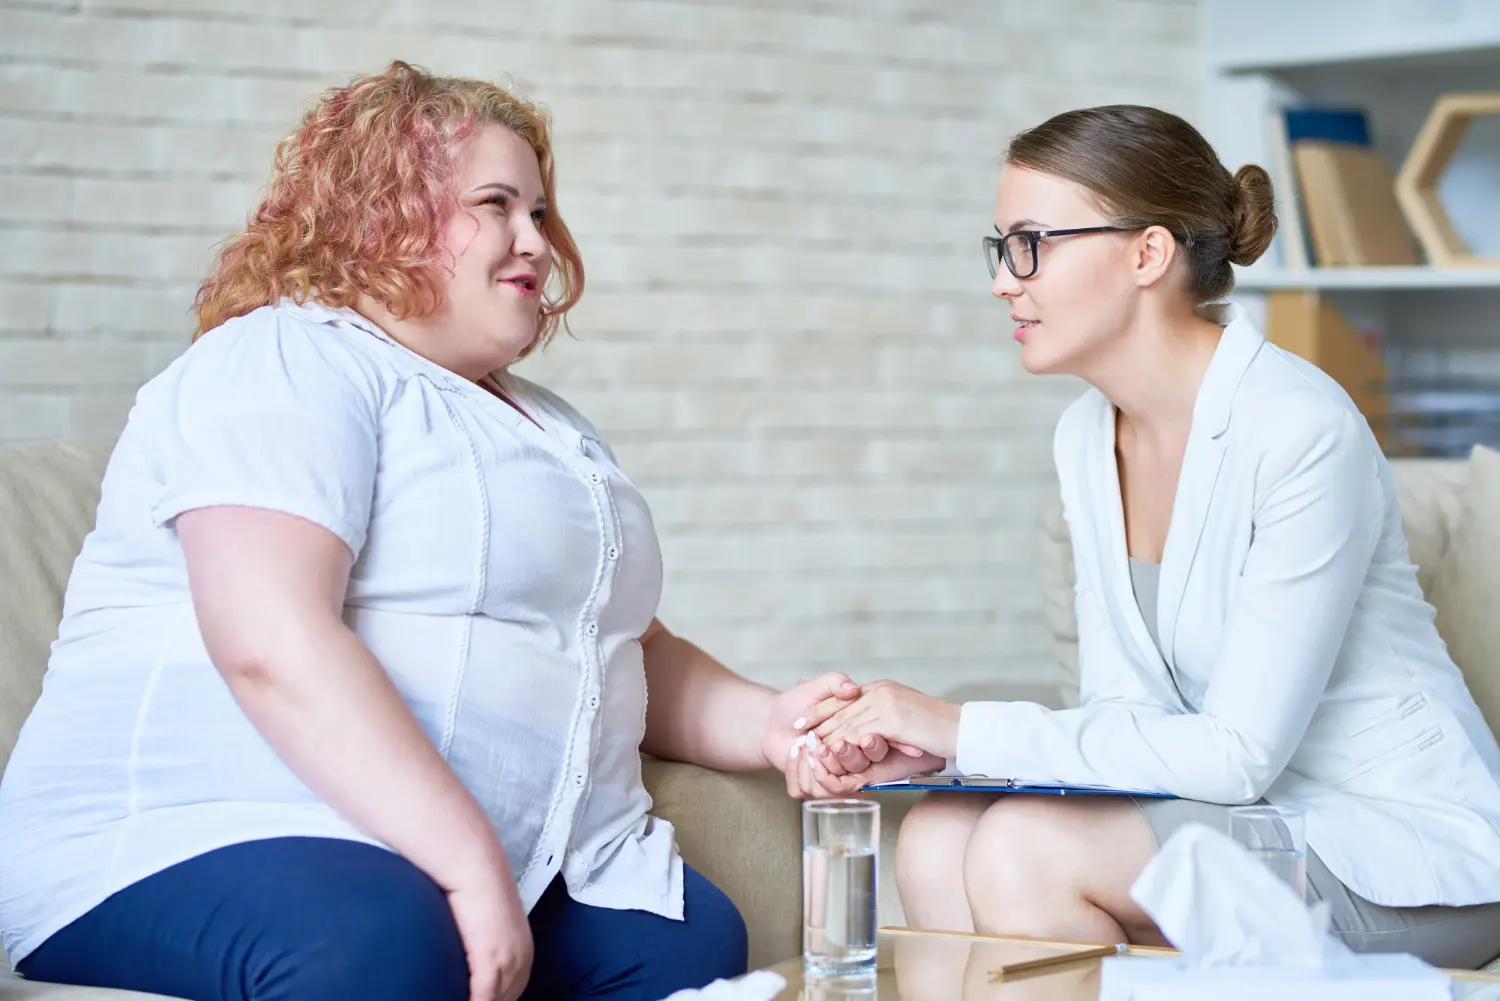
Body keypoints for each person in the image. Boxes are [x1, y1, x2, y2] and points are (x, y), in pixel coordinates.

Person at [0, 62, 941, 1001]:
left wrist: (774, 723)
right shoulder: (284, 355)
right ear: (381, 213)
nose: (535, 239)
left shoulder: (551, 427)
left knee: (683, 940)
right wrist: (465, 862)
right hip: (205, 826)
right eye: (498, 204)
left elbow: (612, 654)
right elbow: (268, 641)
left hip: (467, 854)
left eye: (539, 211)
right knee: (380, 937)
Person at [804, 105, 1500, 969]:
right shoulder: (1085, 436)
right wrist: (949, 753)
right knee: (938, 833)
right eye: (1002, 247)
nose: (1004, 281)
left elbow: (1238, 754)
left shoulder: (1300, 428)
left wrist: (963, 724)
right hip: (1247, 816)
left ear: (1147, 253)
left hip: (1402, 851)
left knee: (1026, 849)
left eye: (1031, 243)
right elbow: (1126, 710)